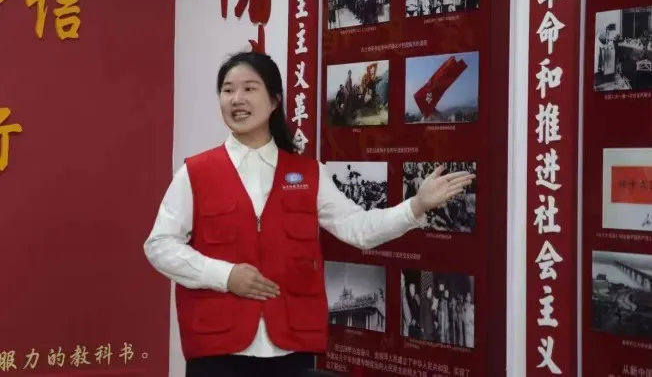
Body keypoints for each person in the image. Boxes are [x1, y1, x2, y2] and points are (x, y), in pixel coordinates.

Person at [143, 51, 475, 377]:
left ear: (274, 101)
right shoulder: (196, 172)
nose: (236, 99)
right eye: (227, 90)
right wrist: (225, 275)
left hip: (290, 348)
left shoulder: (308, 173)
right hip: (217, 350)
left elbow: (357, 228)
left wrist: (416, 206)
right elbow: (159, 245)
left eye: (249, 88)